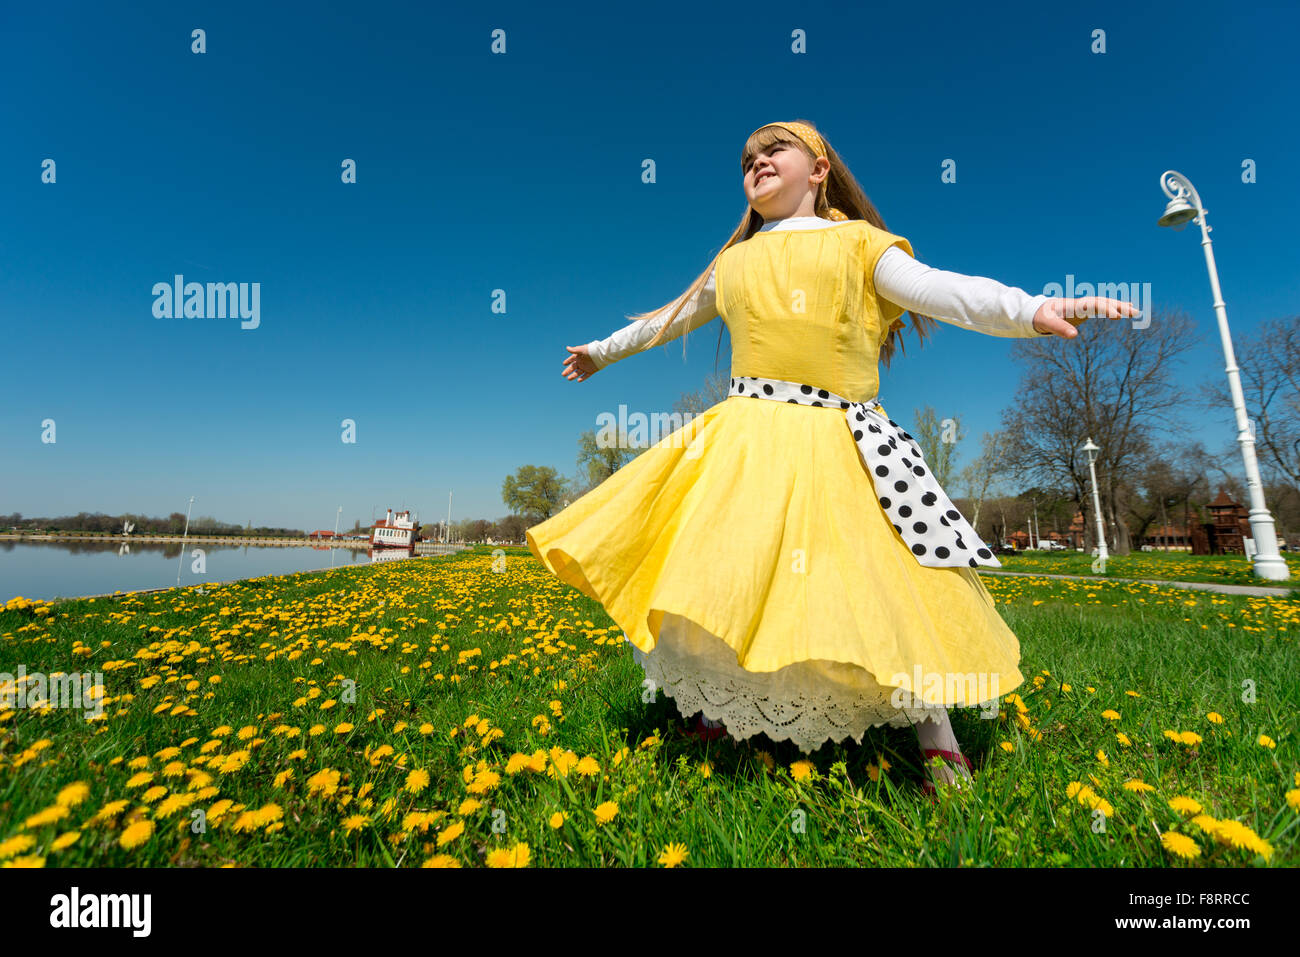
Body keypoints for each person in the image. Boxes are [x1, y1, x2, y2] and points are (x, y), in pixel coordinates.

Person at [526, 120, 1141, 795]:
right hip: (746, 440)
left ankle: (936, 740)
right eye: (747, 160)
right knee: (725, 571)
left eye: (773, 152)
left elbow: (946, 290)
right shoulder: (733, 263)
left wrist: (1035, 307)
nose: (756, 164)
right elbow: (665, 318)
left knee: (894, 585)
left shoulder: (859, 246)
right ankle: (713, 709)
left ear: (818, 170)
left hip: (845, 444)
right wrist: (600, 351)